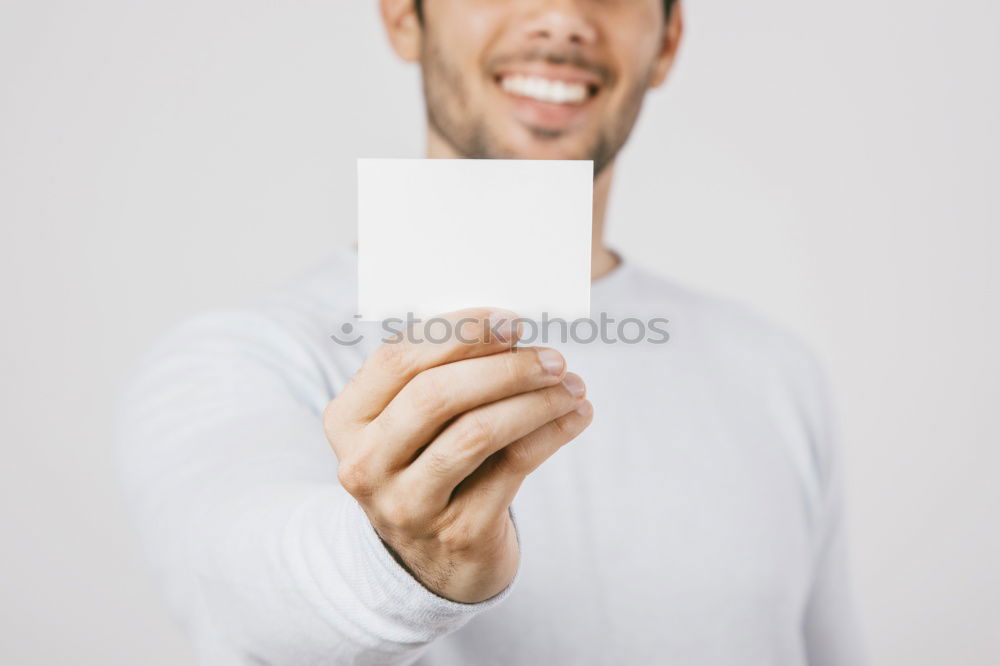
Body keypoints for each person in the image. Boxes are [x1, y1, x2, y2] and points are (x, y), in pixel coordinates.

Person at [117, 1, 867, 664]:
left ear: (668, 40)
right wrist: (402, 560)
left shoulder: (771, 369)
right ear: (404, 15)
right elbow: (244, 597)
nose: (561, 16)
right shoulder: (245, 358)